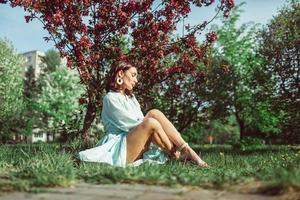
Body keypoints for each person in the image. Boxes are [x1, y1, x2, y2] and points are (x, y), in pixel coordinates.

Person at [78, 61, 208, 168]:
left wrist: (152, 122)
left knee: (154, 113)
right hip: (120, 147)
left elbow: (140, 122)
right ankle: (178, 154)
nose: (136, 80)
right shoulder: (110, 98)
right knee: (151, 120)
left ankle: (185, 150)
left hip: (134, 141)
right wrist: (152, 123)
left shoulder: (131, 98)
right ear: (121, 74)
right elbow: (131, 124)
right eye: (133, 75)